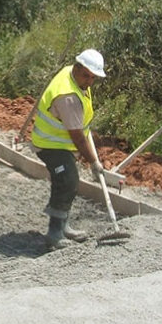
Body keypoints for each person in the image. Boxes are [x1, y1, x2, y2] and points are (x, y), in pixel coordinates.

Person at [31, 49, 107, 250]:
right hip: (49, 144)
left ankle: (64, 226)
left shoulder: (72, 75)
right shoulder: (68, 97)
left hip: (60, 143)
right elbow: (79, 139)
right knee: (67, 180)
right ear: (77, 67)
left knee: (69, 180)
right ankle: (54, 235)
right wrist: (94, 162)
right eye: (86, 76)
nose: (89, 82)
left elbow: (80, 128)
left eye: (93, 77)